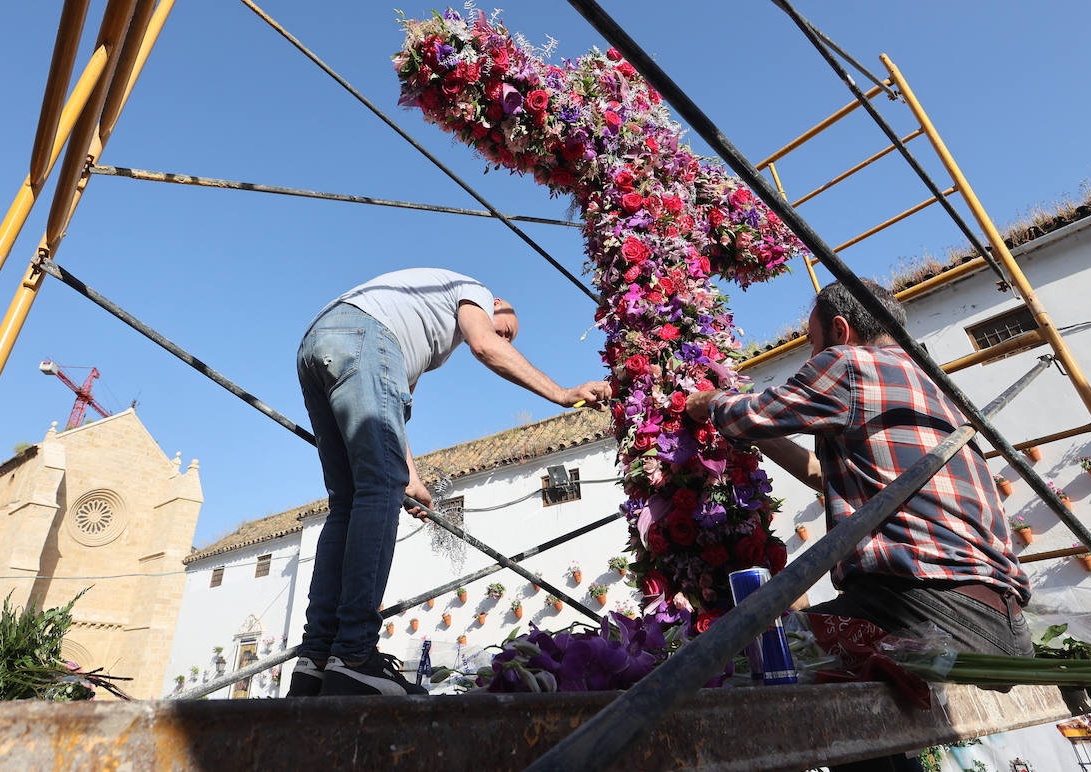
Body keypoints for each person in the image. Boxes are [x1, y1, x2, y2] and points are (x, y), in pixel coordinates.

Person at [289, 268, 611, 697]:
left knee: (349, 501)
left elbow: (392, 414)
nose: (506, 339)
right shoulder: (474, 290)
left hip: (318, 343)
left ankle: (314, 661)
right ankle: (352, 656)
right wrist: (562, 393)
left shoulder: (415, 333)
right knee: (373, 493)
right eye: (508, 329)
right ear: (495, 304)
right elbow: (484, 344)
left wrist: (411, 480)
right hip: (361, 336)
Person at [686, 279, 1032, 658]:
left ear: (840, 330)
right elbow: (825, 475)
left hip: (929, 609)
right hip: (1002, 621)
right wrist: (761, 438)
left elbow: (749, 414)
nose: (811, 356)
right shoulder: (930, 382)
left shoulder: (849, 363)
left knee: (750, 658)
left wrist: (707, 402)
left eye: (812, 342)